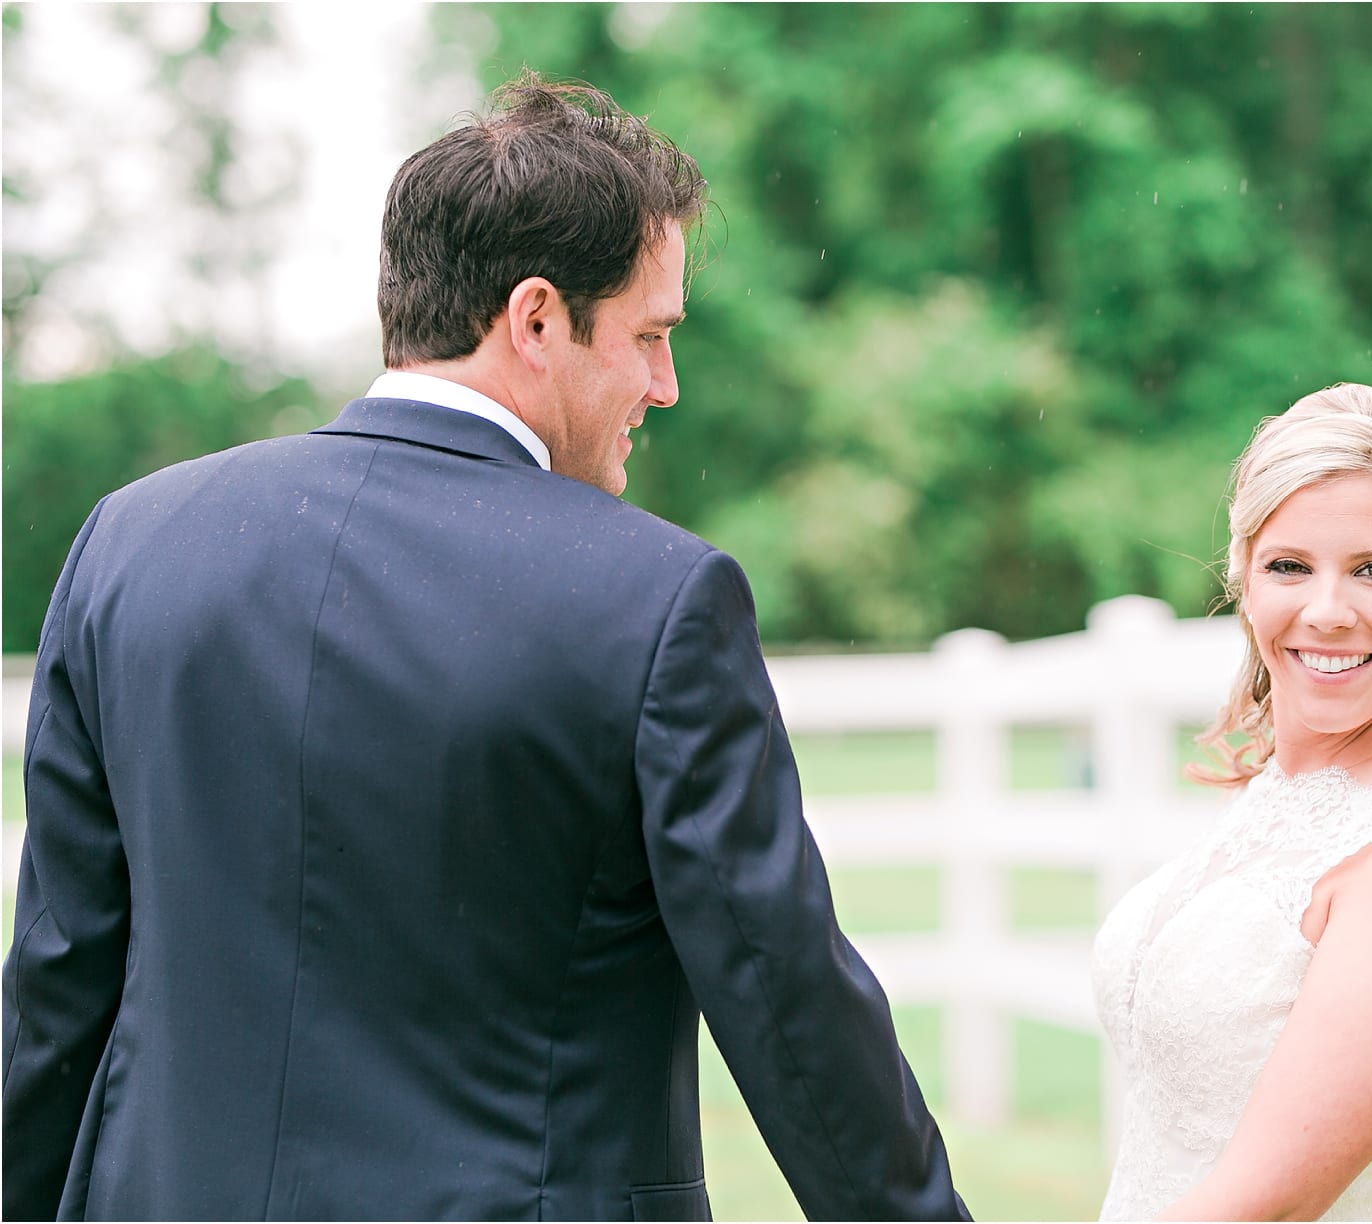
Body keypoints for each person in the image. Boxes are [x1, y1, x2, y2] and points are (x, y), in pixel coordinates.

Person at [3, 73, 968, 1222]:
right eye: (651, 336)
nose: (662, 386)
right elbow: (786, 1001)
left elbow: (59, 986)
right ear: (537, 318)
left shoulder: (132, 545)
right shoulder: (655, 598)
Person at [1091, 383, 1372, 1220]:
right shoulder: (1293, 792)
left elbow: (1259, 1206)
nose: (1327, 611)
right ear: (1243, 576)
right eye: (1289, 567)